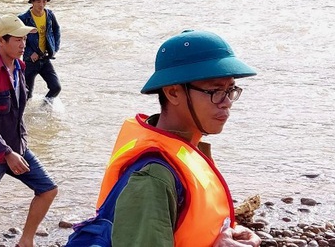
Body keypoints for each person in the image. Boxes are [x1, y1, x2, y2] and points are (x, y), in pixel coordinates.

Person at [96, 30, 260, 247]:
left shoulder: (185, 150)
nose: (227, 101)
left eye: (231, 90)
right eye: (215, 91)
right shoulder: (152, 178)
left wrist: (226, 234)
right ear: (173, 93)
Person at [0, 15, 58, 247]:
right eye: (17, 40)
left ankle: (25, 241)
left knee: (48, 190)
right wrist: (6, 153)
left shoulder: (19, 66)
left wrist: (19, 146)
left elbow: (18, 112)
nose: (23, 44)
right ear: (1, 41)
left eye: (24, 39)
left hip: (19, 147)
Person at [18, 0, 62, 103]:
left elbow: (56, 30)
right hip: (30, 61)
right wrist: (29, 52)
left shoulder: (49, 15)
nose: (41, 4)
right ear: (32, 2)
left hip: (45, 58)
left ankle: (44, 109)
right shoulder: (23, 19)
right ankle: (24, 117)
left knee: (56, 87)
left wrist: (55, 48)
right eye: (38, 2)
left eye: (44, 1)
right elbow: (18, 38)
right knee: (27, 94)